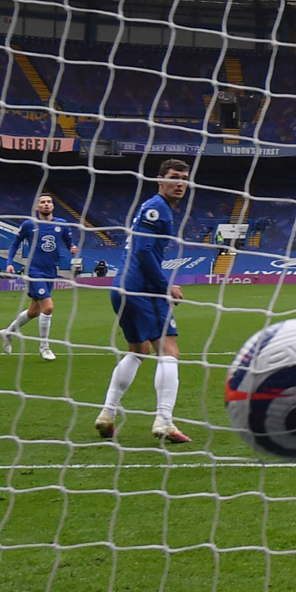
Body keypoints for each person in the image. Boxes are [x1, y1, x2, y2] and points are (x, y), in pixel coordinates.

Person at [94, 159, 191, 444]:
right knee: (169, 351)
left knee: (138, 350)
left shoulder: (154, 209)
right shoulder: (157, 207)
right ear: (160, 180)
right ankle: (164, 420)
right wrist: (166, 286)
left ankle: (107, 414)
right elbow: (145, 252)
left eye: (184, 178)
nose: (180, 183)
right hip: (142, 289)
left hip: (121, 288)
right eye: (174, 177)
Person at [0, 194, 78, 361]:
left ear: (53, 206)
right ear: (37, 207)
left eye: (49, 202)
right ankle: (44, 347)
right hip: (34, 271)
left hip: (51, 271)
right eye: (43, 202)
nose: (46, 204)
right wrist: (9, 262)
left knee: (34, 311)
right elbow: (15, 243)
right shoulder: (29, 225)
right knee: (48, 307)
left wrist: (72, 247)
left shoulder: (61, 224)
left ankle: (7, 332)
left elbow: (68, 240)